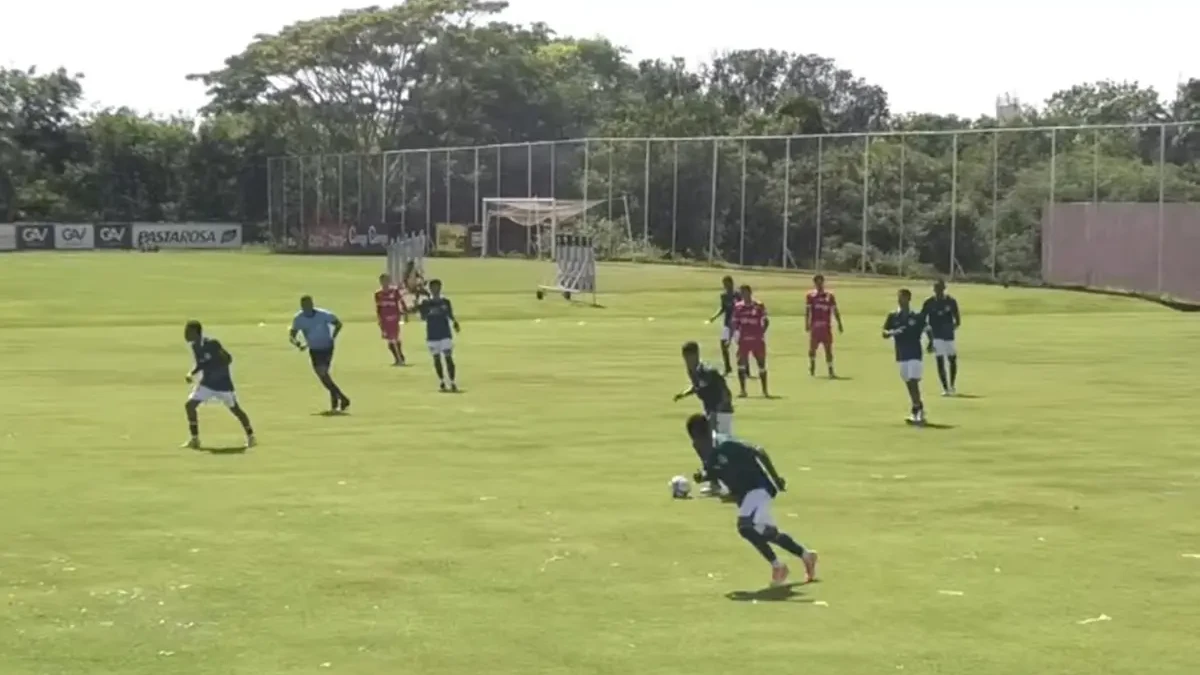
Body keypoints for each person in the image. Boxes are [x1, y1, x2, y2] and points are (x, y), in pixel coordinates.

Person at [687, 414, 818, 587]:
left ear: (705, 434)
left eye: (698, 440)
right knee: (766, 532)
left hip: (759, 487)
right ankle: (806, 555)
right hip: (744, 495)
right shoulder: (706, 451)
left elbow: (758, 450)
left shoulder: (726, 444)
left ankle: (778, 566)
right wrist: (702, 477)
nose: (696, 445)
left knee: (745, 526)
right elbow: (714, 471)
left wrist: (776, 478)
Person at [182, 320, 256, 449]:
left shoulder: (212, 344)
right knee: (190, 405)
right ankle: (195, 439)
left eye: (188, 331)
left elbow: (228, 359)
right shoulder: (195, 346)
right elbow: (201, 363)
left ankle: (251, 436)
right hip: (206, 384)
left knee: (236, 410)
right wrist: (191, 373)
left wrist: (219, 363)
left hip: (223, 385)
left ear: (196, 332)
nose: (185, 334)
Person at [673, 341, 733, 496]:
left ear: (696, 355)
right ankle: (715, 483)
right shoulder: (693, 372)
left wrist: (718, 411)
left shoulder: (707, 370)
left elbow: (725, 391)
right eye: (685, 358)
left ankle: (732, 483)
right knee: (705, 446)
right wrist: (684, 394)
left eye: (690, 357)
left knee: (722, 448)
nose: (687, 361)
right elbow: (697, 386)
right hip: (711, 412)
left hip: (722, 413)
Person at [289, 295, 351, 412]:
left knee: (323, 373)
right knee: (324, 376)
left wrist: (333, 337)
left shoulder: (323, 315)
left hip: (326, 347)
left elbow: (337, 323)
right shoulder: (299, 318)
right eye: (304, 305)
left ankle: (342, 399)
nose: (307, 307)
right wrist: (298, 343)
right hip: (314, 349)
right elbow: (292, 335)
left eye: (309, 304)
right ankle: (338, 401)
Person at [882, 289, 927, 425]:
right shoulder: (893, 316)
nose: (900, 300)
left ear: (909, 299)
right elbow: (884, 332)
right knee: (908, 383)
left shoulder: (916, 316)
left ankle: (917, 411)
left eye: (902, 298)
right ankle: (918, 406)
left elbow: (927, 328)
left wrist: (931, 343)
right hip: (901, 354)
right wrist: (893, 332)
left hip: (915, 353)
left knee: (913, 382)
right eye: (899, 298)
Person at [410, 278, 460, 392]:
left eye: (438, 287)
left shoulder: (445, 302)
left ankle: (452, 382)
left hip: (445, 333)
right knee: (437, 359)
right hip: (432, 334)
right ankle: (442, 381)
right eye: (433, 288)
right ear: (430, 289)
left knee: (448, 357)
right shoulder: (426, 303)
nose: (436, 290)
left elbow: (450, 314)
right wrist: (417, 305)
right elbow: (422, 317)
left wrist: (455, 323)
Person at [922, 280, 961, 396]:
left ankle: (952, 385)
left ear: (944, 289)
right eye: (936, 289)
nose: (938, 292)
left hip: (949, 335)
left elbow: (957, 319)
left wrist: (951, 328)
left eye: (940, 289)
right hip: (936, 335)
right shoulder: (929, 302)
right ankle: (945, 387)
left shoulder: (951, 301)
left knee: (952, 359)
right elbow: (922, 319)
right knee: (940, 360)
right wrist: (930, 337)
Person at [731, 284, 770, 398]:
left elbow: (766, 320)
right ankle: (743, 390)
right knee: (741, 364)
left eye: (745, 292)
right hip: (744, 340)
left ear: (749, 292)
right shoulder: (738, 307)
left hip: (757, 339)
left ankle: (764, 391)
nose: (743, 295)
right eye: (741, 293)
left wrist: (761, 332)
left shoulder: (758, 305)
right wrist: (735, 335)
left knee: (761, 364)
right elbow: (735, 323)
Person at [805, 274, 843, 378]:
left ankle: (831, 370)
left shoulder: (829, 296)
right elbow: (808, 311)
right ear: (814, 283)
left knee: (828, 349)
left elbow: (835, 310)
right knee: (812, 349)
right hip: (815, 327)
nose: (819, 284)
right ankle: (812, 365)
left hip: (826, 327)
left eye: (820, 282)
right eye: (817, 282)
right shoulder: (811, 296)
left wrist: (839, 323)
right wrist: (807, 324)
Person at [706, 276, 739, 375]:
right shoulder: (723, 296)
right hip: (727, 323)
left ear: (731, 283)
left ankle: (745, 368)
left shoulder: (737, 295)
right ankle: (727, 367)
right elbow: (722, 308)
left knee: (741, 346)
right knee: (723, 345)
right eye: (724, 284)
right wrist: (714, 317)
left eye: (727, 283)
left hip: (737, 324)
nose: (725, 286)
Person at [375, 273, 408, 366]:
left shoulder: (394, 291)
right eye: (383, 281)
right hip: (384, 319)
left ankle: (400, 357)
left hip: (394, 317)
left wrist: (404, 313)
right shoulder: (378, 294)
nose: (384, 282)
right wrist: (379, 319)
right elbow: (378, 307)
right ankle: (398, 358)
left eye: (386, 280)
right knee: (389, 339)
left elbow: (401, 301)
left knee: (395, 337)